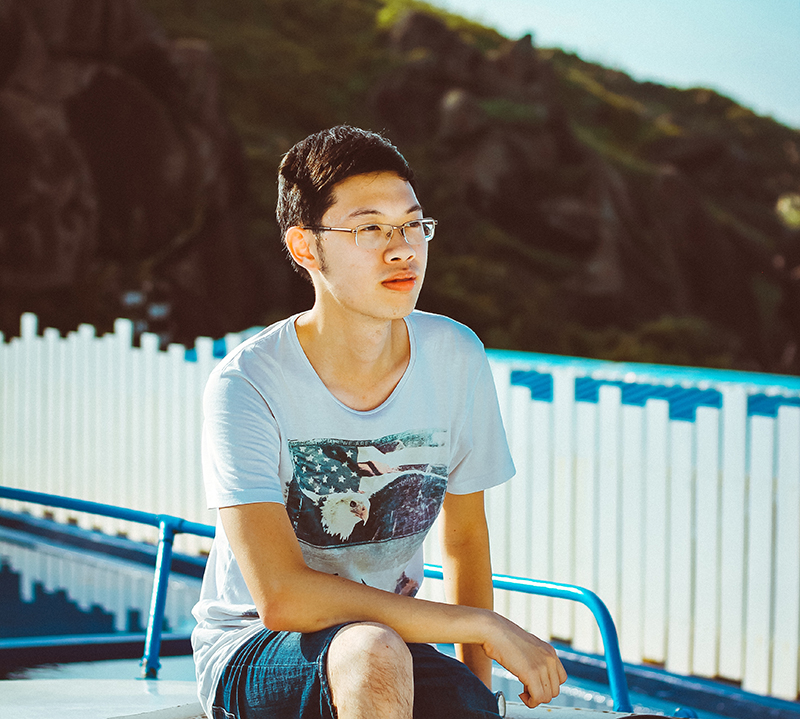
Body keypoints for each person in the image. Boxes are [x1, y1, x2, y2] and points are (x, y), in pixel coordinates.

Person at [191, 125, 567, 719]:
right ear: (305, 248)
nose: (402, 249)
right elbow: (281, 598)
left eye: (412, 225)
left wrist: (475, 692)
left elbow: (465, 539)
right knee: (372, 649)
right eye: (370, 229)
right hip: (256, 646)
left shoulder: (455, 355)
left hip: (393, 637)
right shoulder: (249, 383)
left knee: (409, 668)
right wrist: (480, 623)